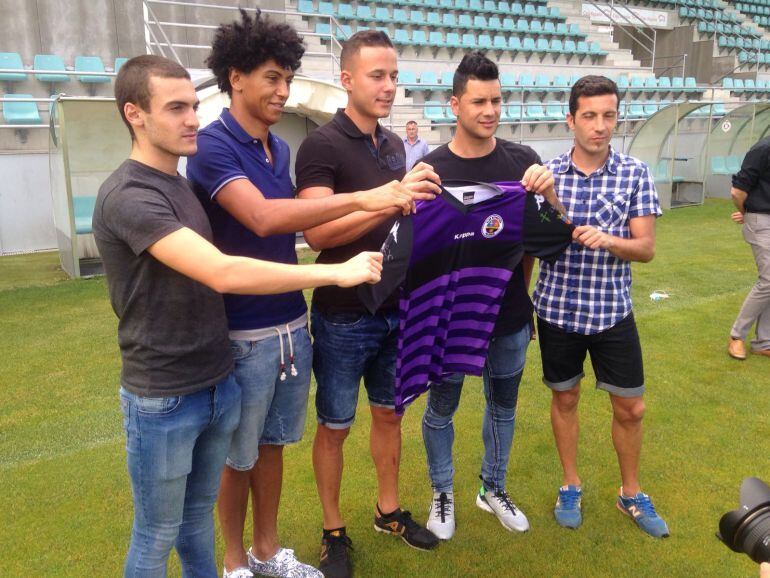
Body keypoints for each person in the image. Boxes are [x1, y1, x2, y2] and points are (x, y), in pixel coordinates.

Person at [93, 54, 383, 578]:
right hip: (163, 391)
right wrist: (335, 274)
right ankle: (238, 563)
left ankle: (256, 557)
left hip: (213, 377)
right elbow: (223, 271)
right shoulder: (130, 195)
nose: (191, 120)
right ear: (134, 114)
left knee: (194, 524)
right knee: (156, 534)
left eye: (191, 106)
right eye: (176, 108)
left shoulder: (178, 185)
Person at [185, 11, 417, 578]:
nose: (283, 90)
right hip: (242, 330)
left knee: (273, 447)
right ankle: (235, 563)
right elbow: (266, 219)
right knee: (235, 456)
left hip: (291, 323)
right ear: (235, 77)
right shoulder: (212, 147)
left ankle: (267, 550)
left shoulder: (277, 150)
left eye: (288, 77)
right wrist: (369, 200)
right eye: (271, 77)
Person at [294, 30, 442, 578]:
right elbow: (316, 233)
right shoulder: (320, 146)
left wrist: (413, 199)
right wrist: (390, 200)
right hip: (342, 313)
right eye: (377, 76)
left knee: (389, 413)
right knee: (335, 425)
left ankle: (388, 511)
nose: (388, 86)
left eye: (394, 76)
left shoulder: (394, 145)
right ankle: (333, 531)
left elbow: (398, 218)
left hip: (393, 308)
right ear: (347, 78)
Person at [417, 52, 563, 540]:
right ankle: (442, 492)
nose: (490, 110)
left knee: (503, 406)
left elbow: (551, 236)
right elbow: (416, 250)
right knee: (442, 407)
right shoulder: (431, 169)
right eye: (479, 101)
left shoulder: (524, 162)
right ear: (455, 104)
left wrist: (552, 194)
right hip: (450, 320)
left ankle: (492, 488)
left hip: (509, 316)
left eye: (496, 100)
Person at [532, 75, 670, 538]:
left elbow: (646, 248)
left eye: (608, 115)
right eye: (589, 116)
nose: (600, 126)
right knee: (565, 397)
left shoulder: (635, 173)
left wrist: (609, 240)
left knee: (631, 409)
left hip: (612, 310)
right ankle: (570, 483)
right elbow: (536, 239)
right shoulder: (547, 173)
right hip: (557, 310)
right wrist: (544, 197)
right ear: (570, 119)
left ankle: (630, 492)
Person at [727, 135, 770, 360]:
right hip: (761, 222)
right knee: (769, 280)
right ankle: (736, 336)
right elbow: (737, 191)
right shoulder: (764, 148)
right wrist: (747, 212)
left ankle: (763, 342)